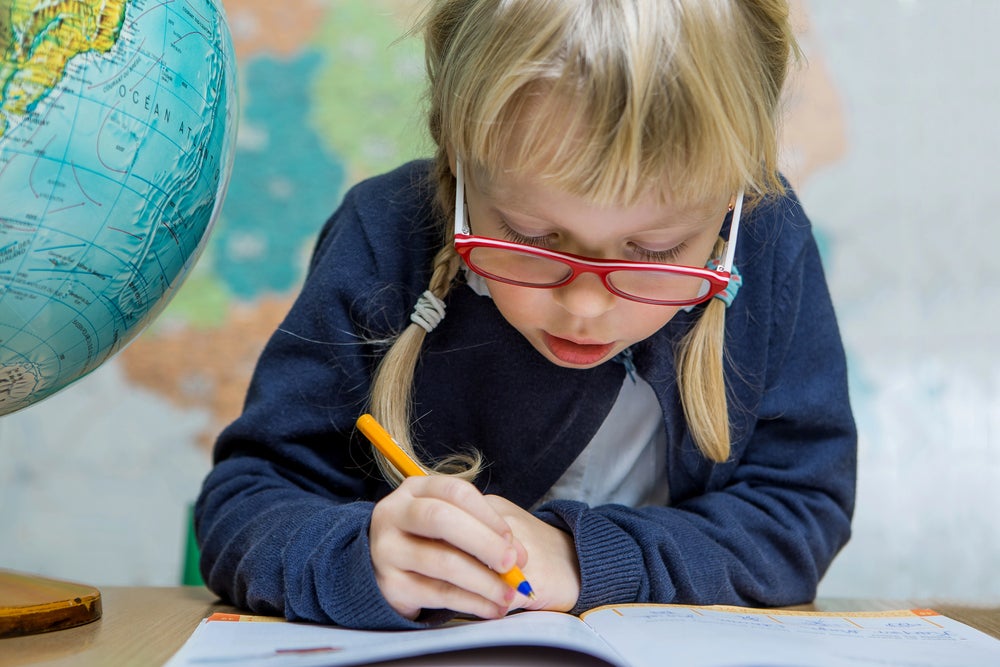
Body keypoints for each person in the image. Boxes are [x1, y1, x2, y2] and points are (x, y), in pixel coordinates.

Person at [195, 0, 856, 631]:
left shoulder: (767, 244)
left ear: (732, 205)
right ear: (459, 156)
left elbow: (798, 513)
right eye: (535, 238)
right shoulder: (384, 237)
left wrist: (579, 558)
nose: (587, 305)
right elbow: (244, 504)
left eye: (655, 249)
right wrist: (358, 555)